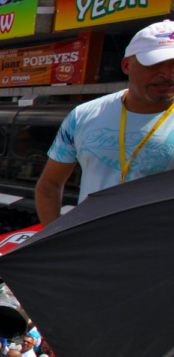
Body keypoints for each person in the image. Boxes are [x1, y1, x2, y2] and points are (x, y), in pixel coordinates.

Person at [36, 20, 174, 223]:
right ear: (127, 65)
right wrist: (54, 241)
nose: (168, 74)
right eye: (155, 63)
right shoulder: (82, 115)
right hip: (90, 245)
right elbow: (49, 184)